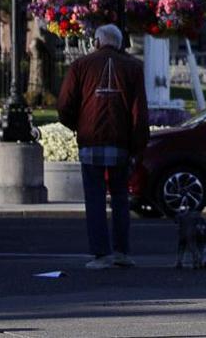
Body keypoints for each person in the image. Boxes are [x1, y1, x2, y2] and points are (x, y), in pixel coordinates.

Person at [56, 23, 150, 270]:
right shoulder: (133, 68)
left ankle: (101, 252)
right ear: (119, 44)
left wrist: (79, 125)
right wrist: (137, 146)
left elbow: (65, 104)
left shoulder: (80, 66)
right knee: (120, 197)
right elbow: (139, 111)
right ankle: (121, 250)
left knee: (95, 198)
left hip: (91, 139)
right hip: (121, 141)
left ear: (97, 42)